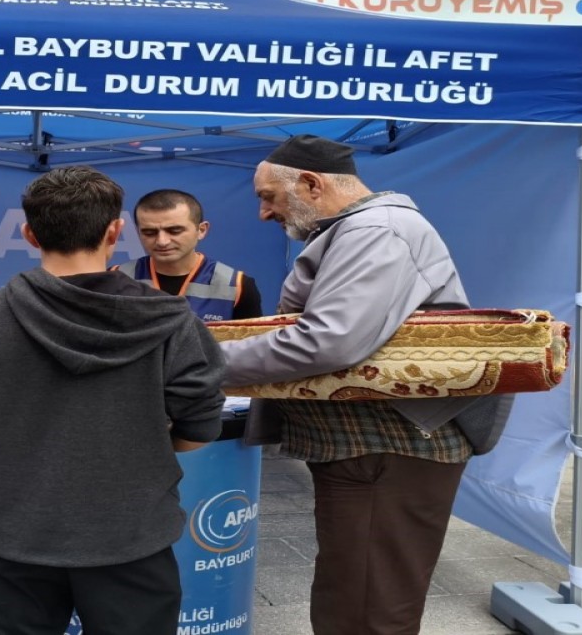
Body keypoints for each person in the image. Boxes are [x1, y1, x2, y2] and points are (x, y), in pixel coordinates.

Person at [217, 134, 514, 635]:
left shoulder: (377, 229)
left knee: (366, 609)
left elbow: (329, 341)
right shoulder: (364, 228)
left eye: (267, 197)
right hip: (376, 450)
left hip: (387, 449)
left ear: (310, 184)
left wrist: (204, 362)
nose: (264, 213)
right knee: (355, 595)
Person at [0, 166, 226, 635]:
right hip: (130, 535)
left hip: (10, 533)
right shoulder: (172, 319)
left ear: (28, 233)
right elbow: (200, 425)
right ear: (116, 231)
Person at [113, 189, 263, 321]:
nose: (162, 241)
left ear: (202, 230)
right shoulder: (114, 278)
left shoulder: (238, 285)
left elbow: (249, 348)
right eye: (149, 232)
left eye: (175, 231)